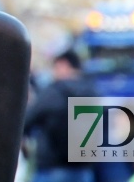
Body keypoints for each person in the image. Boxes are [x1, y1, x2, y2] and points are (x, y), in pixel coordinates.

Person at [22, 49, 95, 182]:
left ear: (63, 65)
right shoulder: (93, 92)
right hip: (84, 169)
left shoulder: (54, 92)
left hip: (52, 168)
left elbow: (28, 120)